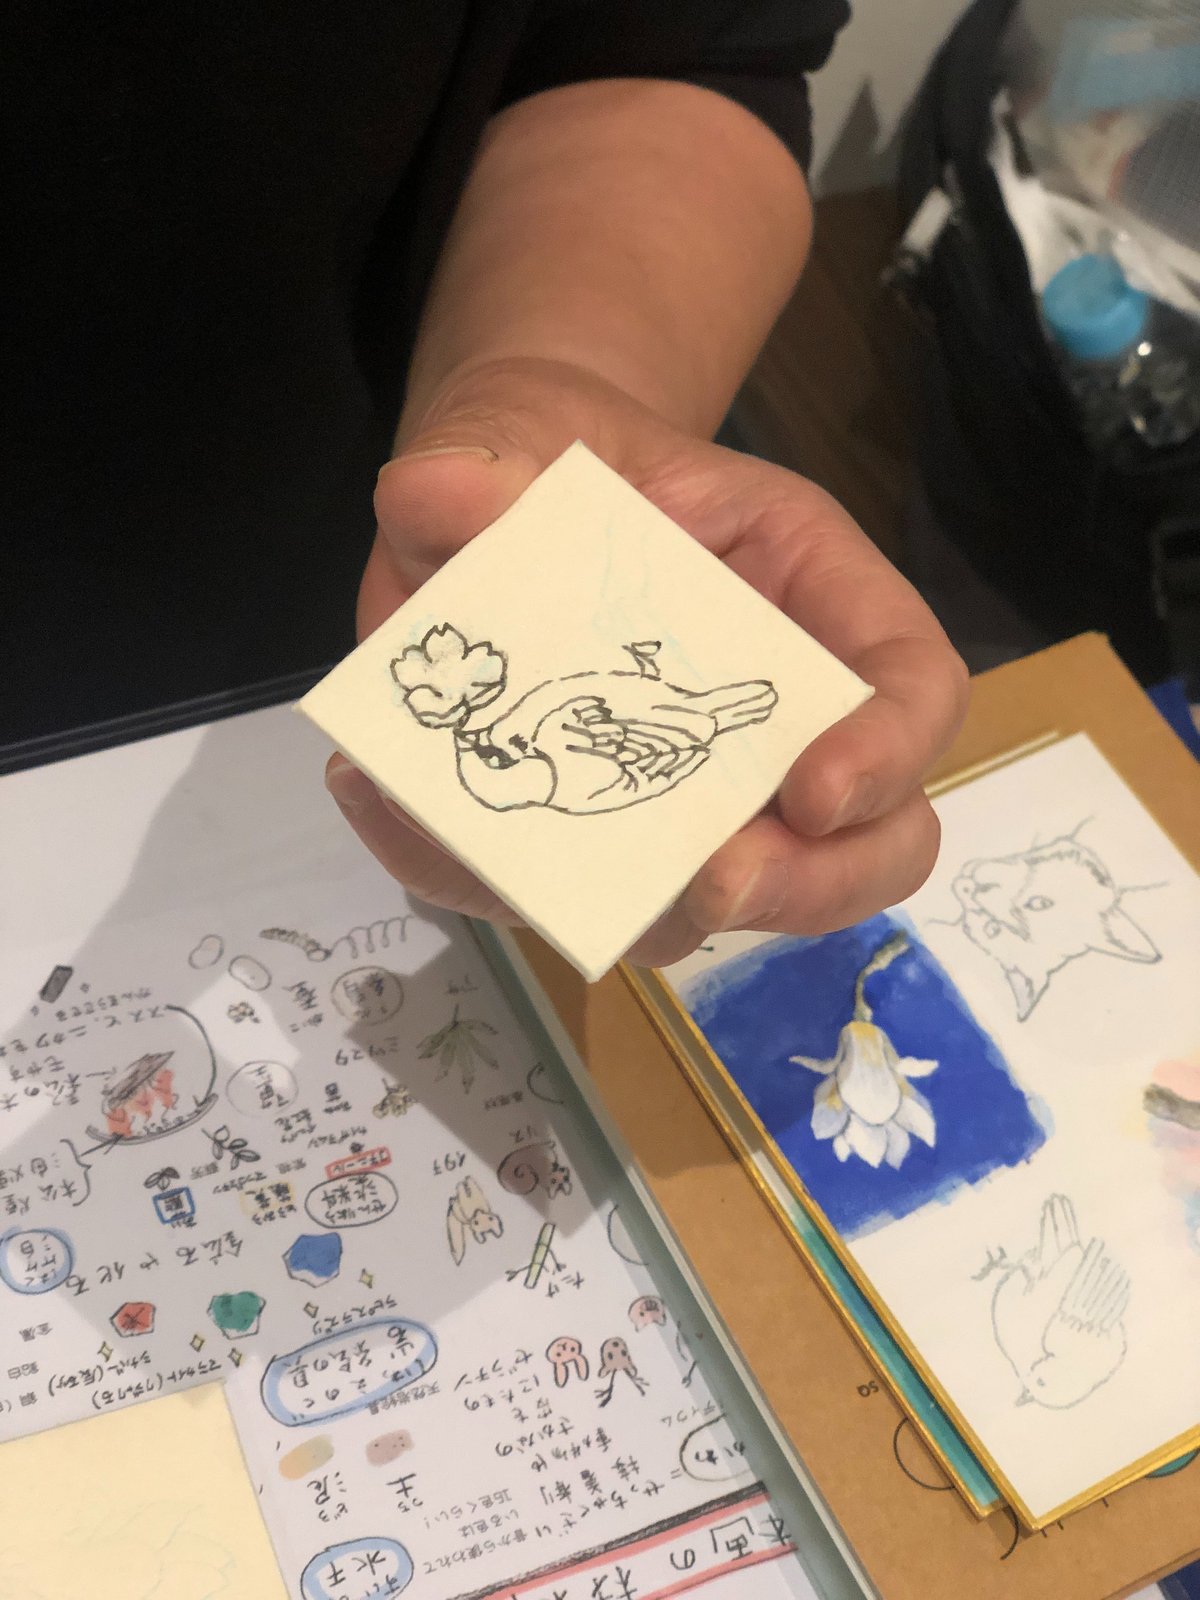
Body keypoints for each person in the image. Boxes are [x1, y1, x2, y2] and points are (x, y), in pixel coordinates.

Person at [3, 1, 967, 967]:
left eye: (493, 752)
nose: (498, 745)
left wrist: (551, 387)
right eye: (505, 756)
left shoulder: (510, 708)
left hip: (375, 579)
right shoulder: (564, 751)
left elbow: (677, 51)